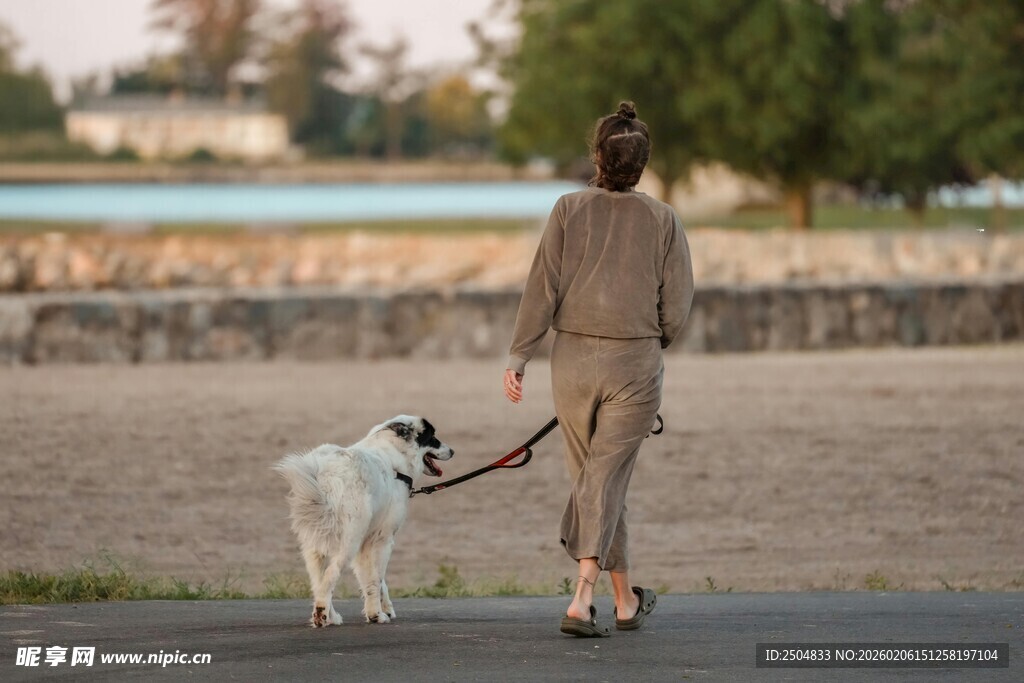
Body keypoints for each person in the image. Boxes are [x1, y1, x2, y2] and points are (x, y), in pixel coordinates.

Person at [502, 101, 694, 637]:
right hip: (635, 362)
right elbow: (677, 305)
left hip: (572, 364)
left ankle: (625, 600)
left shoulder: (567, 208)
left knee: (599, 481)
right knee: (604, 481)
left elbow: (542, 287)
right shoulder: (664, 218)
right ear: (643, 162)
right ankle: (582, 597)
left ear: (597, 156)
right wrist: (654, 340)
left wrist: (520, 354)